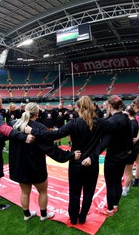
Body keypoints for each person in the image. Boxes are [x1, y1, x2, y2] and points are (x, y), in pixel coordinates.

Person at [26, 96, 116, 225]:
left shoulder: (76, 123)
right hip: (91, 164)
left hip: (77, 163)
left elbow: (54, 135)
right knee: (88, 194)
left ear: (78, 108)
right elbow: (112, 133)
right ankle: (81, 217)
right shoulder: (99, 122)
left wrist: (32, 130)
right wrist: (94, 155)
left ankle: (74, 219)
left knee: (75, 193)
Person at [9, 102, 81, 221]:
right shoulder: (38, 127)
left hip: (20, 165)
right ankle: (43, 215)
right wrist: (70, 155)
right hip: (36, 165)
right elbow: (51, 149)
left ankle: (26, 214)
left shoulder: (15, 125)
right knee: (43, 191)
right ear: (37, 113)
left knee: (25, 192)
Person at [98, 95, 133, 216]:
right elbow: (129, 136)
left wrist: (94, 152)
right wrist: (128, 149)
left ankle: (110, 209)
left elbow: (105, 141)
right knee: (117, 181)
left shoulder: (111, 121)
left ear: (110, 106)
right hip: (123, 155)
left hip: (113, 156)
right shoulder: (126, 118)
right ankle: (115, 205)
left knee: (111, 183)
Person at [122, 105, 139, 197]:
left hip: (131, 150)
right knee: (127, 169)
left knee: (128, 170)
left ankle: (125, 189)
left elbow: (130, 139)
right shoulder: (133, 122)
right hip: (132, 149)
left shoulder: (132, 123)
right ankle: (126, 186)